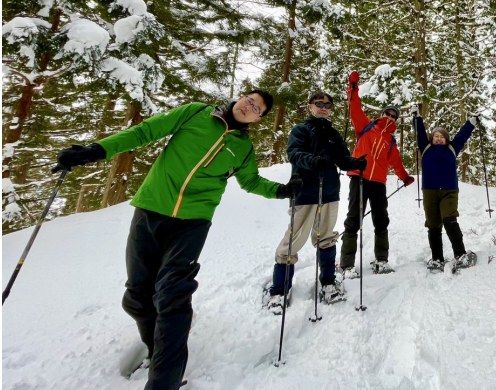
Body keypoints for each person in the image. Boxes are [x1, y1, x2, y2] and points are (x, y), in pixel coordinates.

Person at [54, 90, 300, 390]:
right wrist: (95, 151)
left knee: (172, 296)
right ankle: (158, 351)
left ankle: (165, 381)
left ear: (258, 119)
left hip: (193, 222)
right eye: (250, 100)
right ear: (239, 98)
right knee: (136, 298)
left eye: (257, 109)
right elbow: (144, 132)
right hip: (150, 209)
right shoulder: (196, 113)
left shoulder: (243, 148)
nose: (250, 107)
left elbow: (250, 182)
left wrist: (282, 191)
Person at [265, 91, 366, 313]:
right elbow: (294, 153)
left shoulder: (333, 134)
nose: (323, 107)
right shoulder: (301, 130)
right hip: (304, 191)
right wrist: (313, 161)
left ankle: (328, 282)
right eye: (319, 103)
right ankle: (279, 290)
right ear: (310, 106)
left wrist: (355, 163)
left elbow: (342, 159)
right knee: (293, 240)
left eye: (328, 105)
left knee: (326, 237)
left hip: (329, 191)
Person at [338, 71, 414, 276]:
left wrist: (404, 177)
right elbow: (354, 107)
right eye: (387, 113)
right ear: (382, 115)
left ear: (396, 120)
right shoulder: (365, 126)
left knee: (381, 220)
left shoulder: (391, 142)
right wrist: (353, 86)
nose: (390, 117)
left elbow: (396, 162)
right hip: (359, 178)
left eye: (393, 116)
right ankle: (346, 265)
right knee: (354, 219)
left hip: (378, 183)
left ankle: (381, 260)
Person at [413, 112, 479, 272]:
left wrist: (471, 123)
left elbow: (462, 136)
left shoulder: (452, 147)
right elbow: (419, 131)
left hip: (449, 190)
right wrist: (416, 117)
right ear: (431, 138)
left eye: (442, 136)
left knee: (449, 219)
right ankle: (437, 259)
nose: (439, 138)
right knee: (433, 225)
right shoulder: (425, 147)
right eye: (436, 136)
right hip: (429, 191)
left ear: (446, 139)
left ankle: (461, 254)